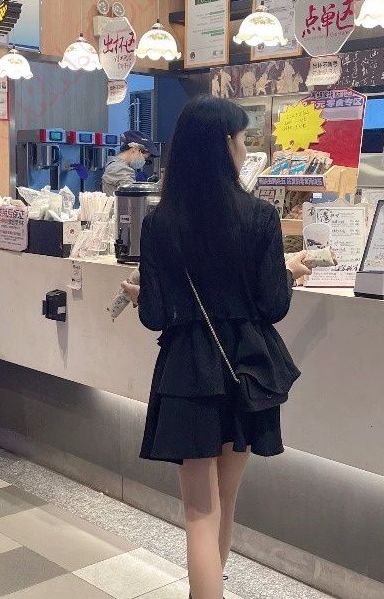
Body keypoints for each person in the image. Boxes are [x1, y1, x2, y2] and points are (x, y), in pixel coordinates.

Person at [121, 98, 312, 599]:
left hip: (189, 373)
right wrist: (289, 273)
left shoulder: (160, 223)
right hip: (245, 369)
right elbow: (272, 305)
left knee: (199, 514)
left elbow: (155, 316)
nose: (245, 148)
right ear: (225, 145)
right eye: (242, 139)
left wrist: (142, 295)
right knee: (225, 503)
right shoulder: (260, 216)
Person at [102, 130, 159, 197]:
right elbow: (134, 196)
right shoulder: (120, 169)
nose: (144, 161)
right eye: (144, 158)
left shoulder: (115, 164)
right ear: (134, 149)